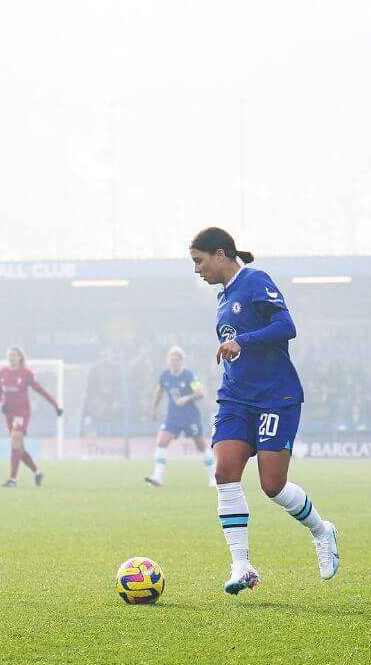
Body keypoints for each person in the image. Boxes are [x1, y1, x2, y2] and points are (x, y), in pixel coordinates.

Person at [189, 226, 338, 594]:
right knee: (225, 472)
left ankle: (322, 530)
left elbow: (286, 327)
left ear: (221, 254)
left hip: (275, 396)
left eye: (199, 261)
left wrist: (243, 341)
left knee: (272, 485)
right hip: (236, 397)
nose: (196, 270)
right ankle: (242, 565)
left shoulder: (255, 281)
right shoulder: (223, 298)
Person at [145, 347, 211, 487]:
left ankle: (214, 476)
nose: (174, 362)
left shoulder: (189, 376)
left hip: (190, 417)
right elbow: (159, 392)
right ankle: (158, 477)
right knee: (162, 442)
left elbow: (200, 393)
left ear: (182, 361)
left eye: (177, 360)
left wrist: (186, 398)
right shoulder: (165, 376)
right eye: (172, 360)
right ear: (167, 361)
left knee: (200, 445)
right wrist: (154, 409)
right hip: (173, 416)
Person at [0, 347, 60, 487]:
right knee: (19, 448)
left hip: (21, 413)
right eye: (9, 355)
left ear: (20, 357)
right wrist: (0, 402)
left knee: (15, 439)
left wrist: (55, 405)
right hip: (9, 413)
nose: (11, 357)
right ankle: (37, 472)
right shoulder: (3, 372)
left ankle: (12, 480)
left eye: (14, 355)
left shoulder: (26, 373)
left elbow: (40, 390)